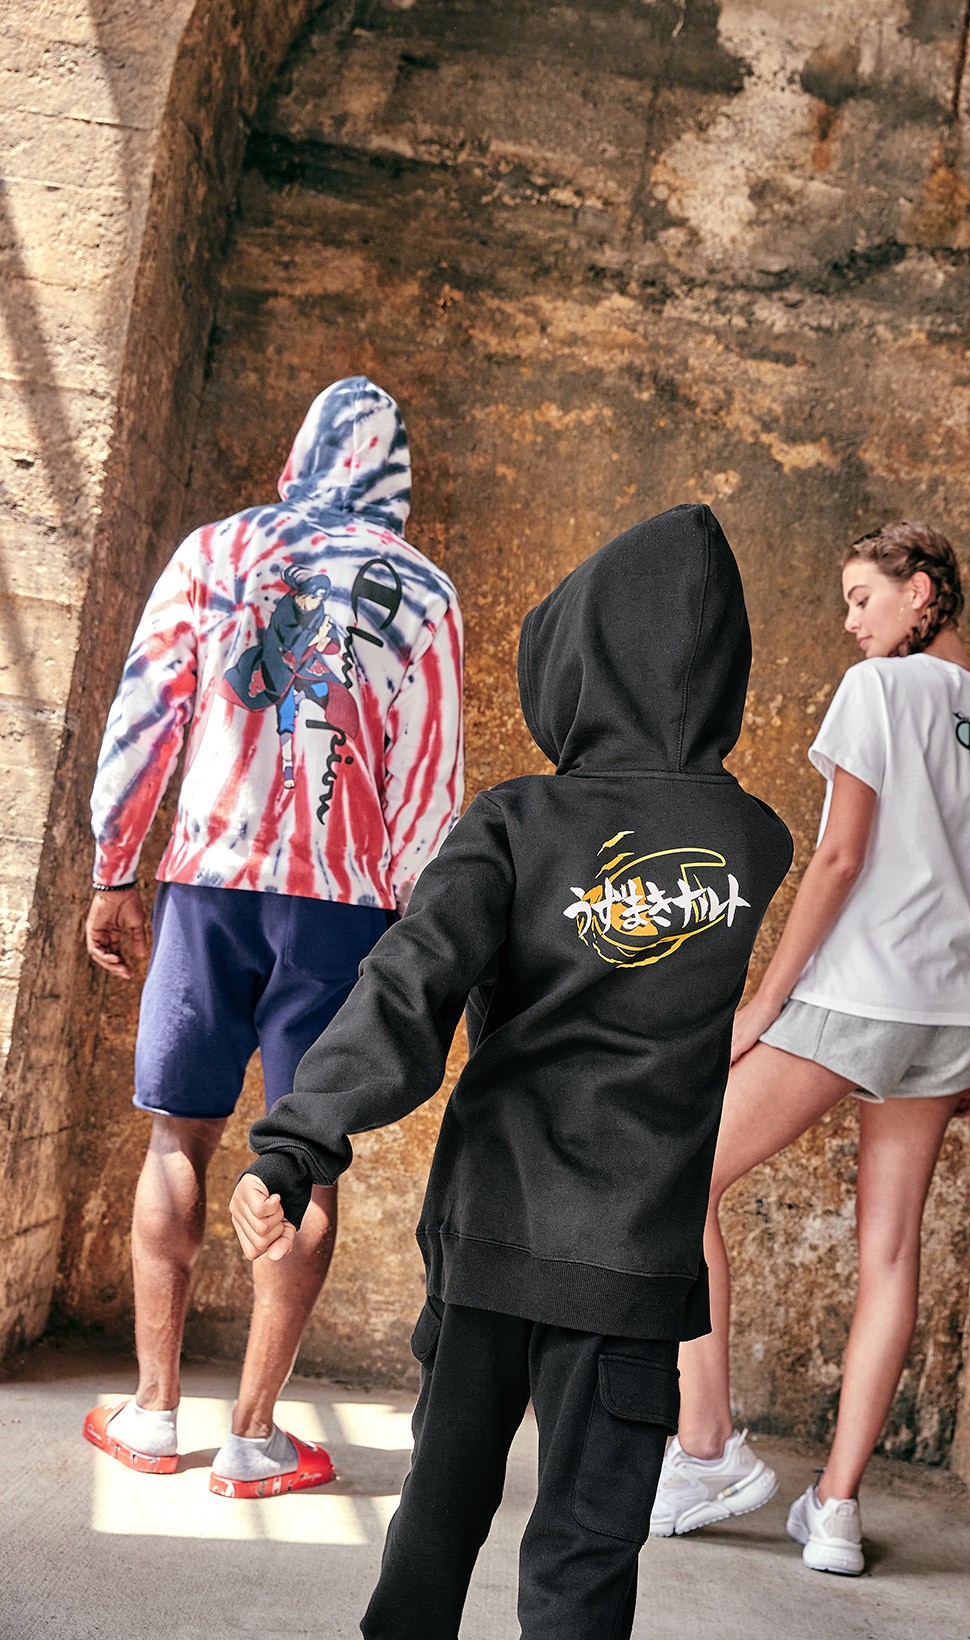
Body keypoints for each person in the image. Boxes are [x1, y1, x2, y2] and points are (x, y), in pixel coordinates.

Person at [230, 503, 794, 1638]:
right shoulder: (755, 840)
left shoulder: (517, 822)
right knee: (587, 1554)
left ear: (585, 657)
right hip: (635, 1261)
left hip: (494, 1229)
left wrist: (298, 1141)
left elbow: (409, 984)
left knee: (437, 1516)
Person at [82, 377, 464, 1498]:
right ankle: (253, 1438)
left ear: (301, 454)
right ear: (396, 476)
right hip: (345, 907)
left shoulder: (219, 551)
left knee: (177, 1135)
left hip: (209, 882)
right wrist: (405, 920)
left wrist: (115, 868)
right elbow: (430, 780)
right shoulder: (426, 591)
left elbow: (145, 712)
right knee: (307, 1156)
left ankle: (154, 1413)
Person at [649, 520, 970, 1575]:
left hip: (854, 995)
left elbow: (838, 859)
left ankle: (704, 1448)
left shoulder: (874, 690)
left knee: (677, 1176)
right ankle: (834, 1509)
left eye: (863, 597)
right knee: (891, 1257)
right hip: (946, 1018)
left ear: (923, 593)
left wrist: (761, 1005)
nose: (852, 621)